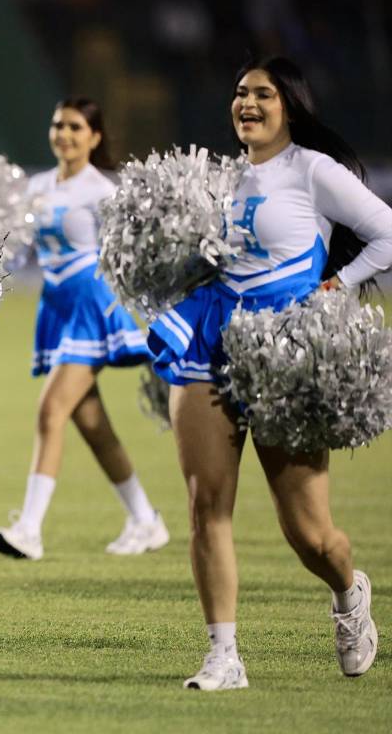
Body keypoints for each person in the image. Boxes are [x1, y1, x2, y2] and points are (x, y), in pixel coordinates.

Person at [148, 56, 392, 690]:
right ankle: (223, 656)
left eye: (263, 94)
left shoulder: (313, 172)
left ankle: (347, 590)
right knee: (207, 506)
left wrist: (341, 283)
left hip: (285, 355)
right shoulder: (219, 178)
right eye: (239, 93)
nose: (247, 103)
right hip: (209, 346)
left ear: (292, 106)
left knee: (310, 535)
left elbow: (386, 233)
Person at [0, 98, 167, 561]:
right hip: (57, 303)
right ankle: (146, 519)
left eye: (74, 126)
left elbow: (132, 253)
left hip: (91, 301)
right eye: (57, 125)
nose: (64, 134)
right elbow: (19, 249)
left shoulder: (103, 192)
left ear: (94, 136)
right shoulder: (37, 186)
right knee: (92, 424)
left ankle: (29, 530)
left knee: (51, 411)